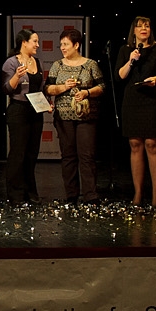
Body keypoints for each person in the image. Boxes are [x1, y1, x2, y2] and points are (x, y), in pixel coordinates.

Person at [116, 16, 156, 207]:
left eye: (147, 26)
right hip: (132, 101)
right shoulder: (125, 50)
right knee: (135, 144)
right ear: (133, 31)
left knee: (152, 144)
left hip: (153, 101)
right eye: (140, 26)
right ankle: (138, 192)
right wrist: (131, 60)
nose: (144, 29)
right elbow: (120, 76)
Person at [46, 29, 105, 204]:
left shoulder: (90, 65)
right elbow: (47, 88)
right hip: (64, 117)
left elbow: (102, 87)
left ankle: (90, 195)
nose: (62, 48)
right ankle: (71, 195)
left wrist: (87, 93)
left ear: (76, 45)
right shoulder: (57, 65)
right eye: (61, 45)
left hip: (86, 116)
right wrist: (64, 87)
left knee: (86, 155)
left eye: (66, 44)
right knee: (68, 156)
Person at [2, 29, 45, 204]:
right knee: (18, 154)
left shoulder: (37, 62)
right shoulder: (11, 62)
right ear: (24, 42)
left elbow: (40, 88)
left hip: (35, 111)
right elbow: (7, 89)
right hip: (18, 110)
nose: (37, 45)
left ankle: (30, 192)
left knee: (31, 154)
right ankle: (15, 193)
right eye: (34, 41)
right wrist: (17, 76)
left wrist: (46, 104)